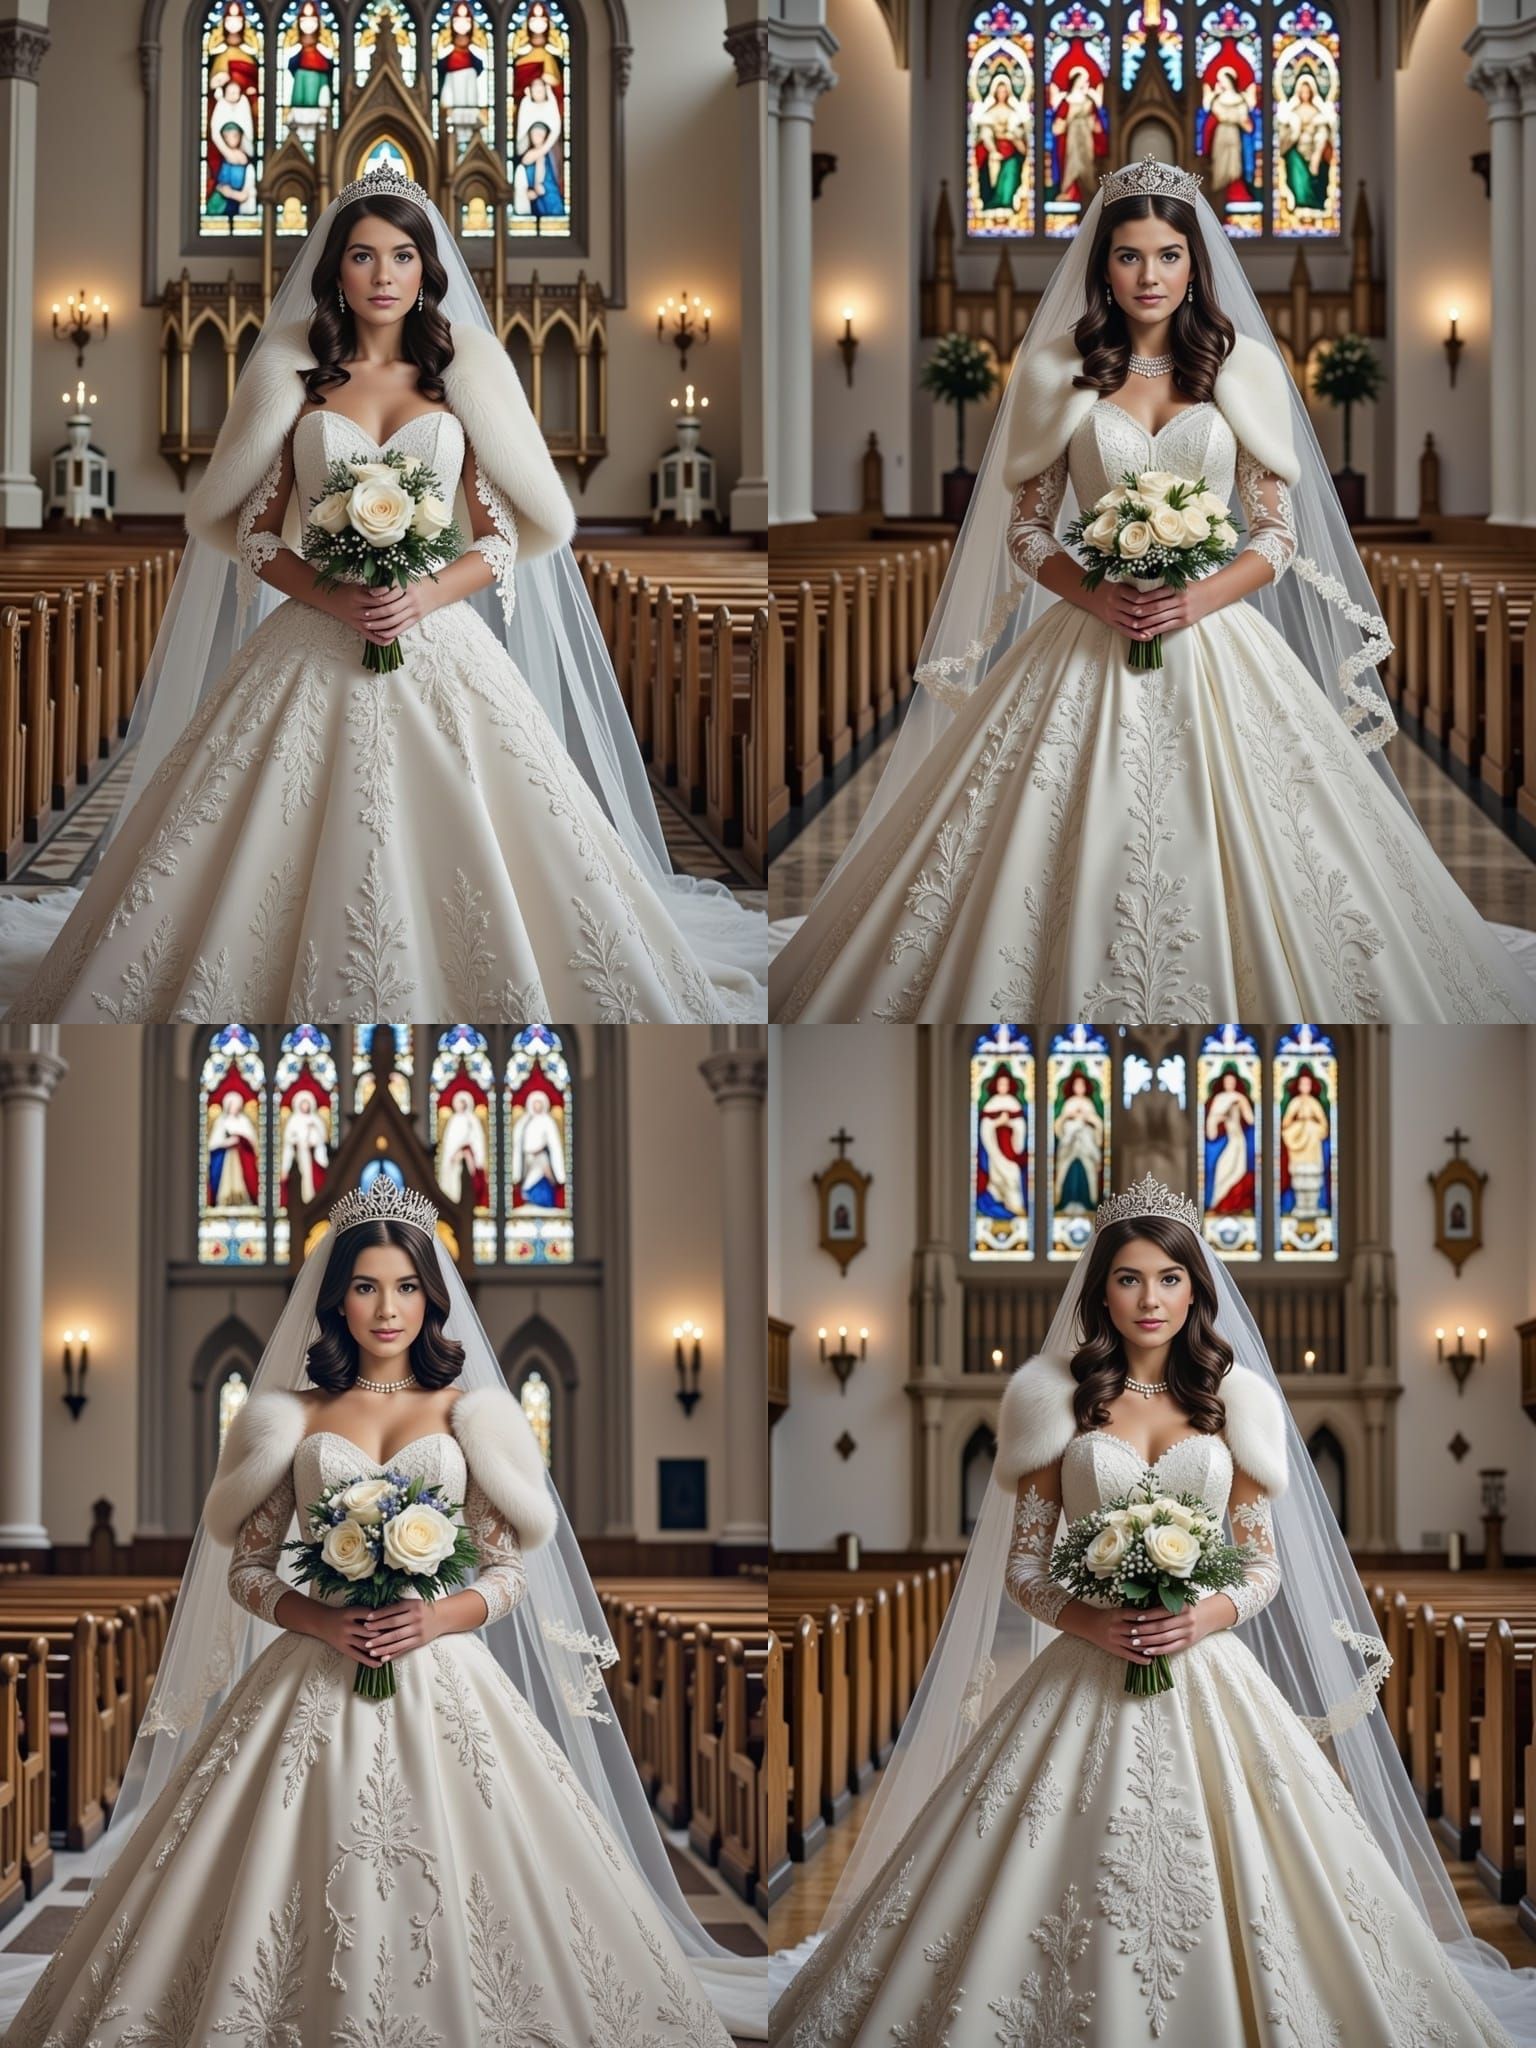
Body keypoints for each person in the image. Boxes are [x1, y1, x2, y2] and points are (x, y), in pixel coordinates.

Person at [768, 156, 1536, 1023]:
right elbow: (1027, 528)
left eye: (1169, 255)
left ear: (1195, 263)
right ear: (1103, 266)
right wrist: (1094, 594)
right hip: (1088, 629)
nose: (1150, 276)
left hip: (1214, 638)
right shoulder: (1060, 371)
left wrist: (1196, 597)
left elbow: (1276, 535)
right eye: (1130, 256)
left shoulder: (1239, 370)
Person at [770, 1175, 1536, 2045]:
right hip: (1085, 1664)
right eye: (1130, 1278)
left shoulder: (1235, 1402)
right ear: (1100, 1289)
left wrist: (1200, 1617)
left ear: (1196, 1289)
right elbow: (1025, 1565)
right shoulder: (1048, 1401)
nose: (1150, 1298)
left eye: (1170, 1279)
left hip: (1205, 1670)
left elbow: (1259, 1567)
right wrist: (1089, 1618)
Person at [0, 1179, 766, 2040]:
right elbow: (246, 1567)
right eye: (365, 1286)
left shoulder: (472, 1413)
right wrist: (318, 1618)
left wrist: (439, 1616)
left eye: (405, 1286)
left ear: (432, 1296)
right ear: (336, 1300)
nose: (386, 1307)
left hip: (444, 1674)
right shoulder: (287, 1416)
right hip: (313, 1671)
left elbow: (510, 1568)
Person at [0, 163, 766, 1023]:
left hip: (437, 637)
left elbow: (503, 536)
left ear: (426, 272)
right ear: (336, 272)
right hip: (314, 635)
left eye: (403, 257)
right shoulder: (295, 383)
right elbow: (254, 535)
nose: (385, 276)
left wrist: (425, 596)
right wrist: (333, 596)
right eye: (364, 258)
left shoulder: (458, 380)